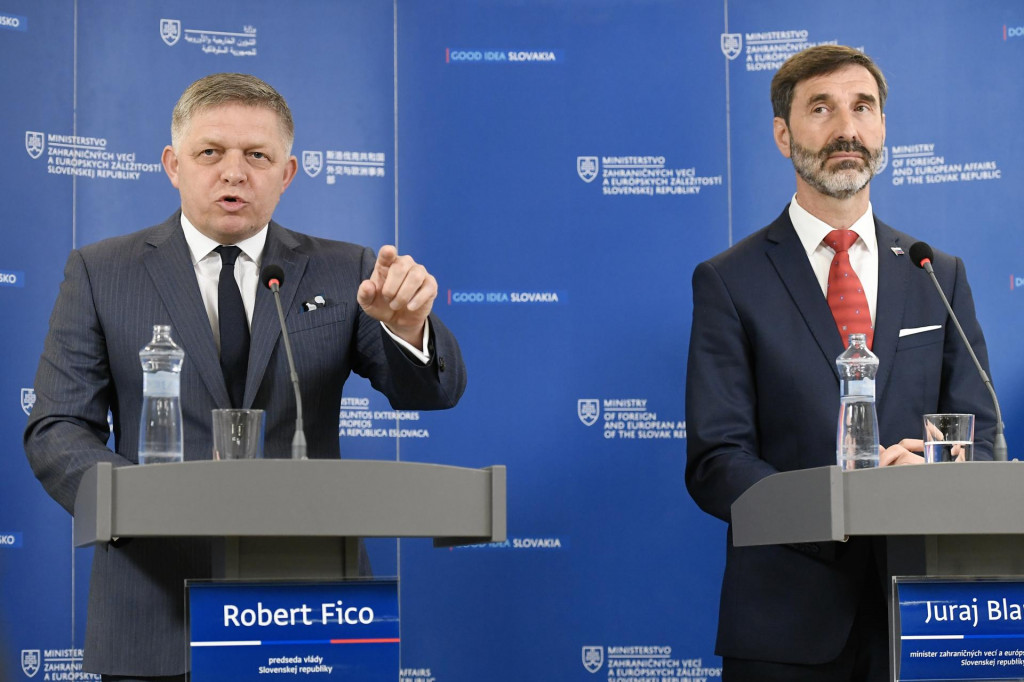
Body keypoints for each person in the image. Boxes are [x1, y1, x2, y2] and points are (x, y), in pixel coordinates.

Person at [24, 73, 466, 681]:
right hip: (155, 610)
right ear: (173, 165)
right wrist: (143, 505)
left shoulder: (347, 272)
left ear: (286, 173)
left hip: (309, 616)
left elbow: (429, 391)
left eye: (257, 156)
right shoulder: (102, 272)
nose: (234, 172)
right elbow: (56, 430)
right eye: (211, 153)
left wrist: (409, 330)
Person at [685, 45, 995, 681]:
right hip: (785, 626)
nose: (846, 129)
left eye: (863, 108)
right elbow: (718, 461)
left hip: (931, 619)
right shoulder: (729, 281)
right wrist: (841, 510)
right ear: (783, 134)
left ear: (882, 128)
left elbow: (982, 442)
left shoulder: (937, 273)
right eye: (821, 109)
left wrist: (936, 472)